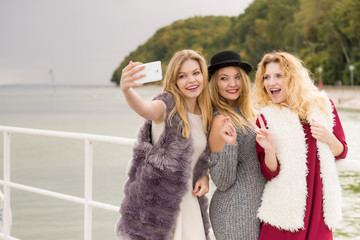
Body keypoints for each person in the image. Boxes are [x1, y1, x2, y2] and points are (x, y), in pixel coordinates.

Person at [249, 51, 348, 240]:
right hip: (285, 212)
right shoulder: (266, 117)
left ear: (292, 78)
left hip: (320, 208)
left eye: (278, 76)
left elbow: (341, 151)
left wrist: (328, 138)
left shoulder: (324, 106)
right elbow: (270, 172)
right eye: (266, 77)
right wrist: (269, 149)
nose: (271, 83)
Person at [115, 49, 213, 240]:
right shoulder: (167, 105)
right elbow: (144, 108)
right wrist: (126, 89)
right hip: (160, 207)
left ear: (203, 74)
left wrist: (205, 175)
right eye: (182, 76)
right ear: (174, 81)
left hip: (190, 202)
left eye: (195, 73)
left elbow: (200, 157)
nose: (191, 80)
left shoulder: (206, 113)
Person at [207, 50, 266, 240]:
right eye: (224, 78)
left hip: (254, 208)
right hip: (234, 212)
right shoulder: (220, 120)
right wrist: (230, 145)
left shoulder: (245, 112)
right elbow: (222, 181)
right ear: (214, 83)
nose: (233, 84)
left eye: (237, 77)